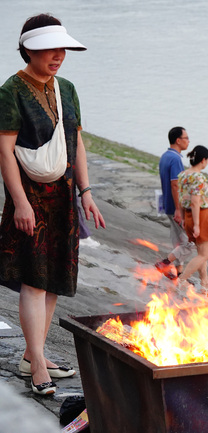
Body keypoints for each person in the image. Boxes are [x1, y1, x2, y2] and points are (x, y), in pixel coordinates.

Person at [0, 14, 105, 396]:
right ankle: (38, 364)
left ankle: (34, 354)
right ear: (29, 49)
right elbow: (5, 153)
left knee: (54, 280)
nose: (58, 56)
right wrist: (20, 204)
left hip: (63, 197)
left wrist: (86, 192)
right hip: (30, 198)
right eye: (50, 49)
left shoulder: (69, 89)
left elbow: (75, 142)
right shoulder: (10, 91)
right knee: (32, 279)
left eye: (63, 49)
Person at [175, 145, 208, 298]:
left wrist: (183, 218)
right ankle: (181, 281)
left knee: (202, 253)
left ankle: (205, 286)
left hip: (188, 215)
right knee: (205, 254)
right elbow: (195, 201)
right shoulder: (198, 177)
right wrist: (196, 225)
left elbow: (181, 199)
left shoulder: (183, 175)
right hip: (200, 215)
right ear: (203, 160)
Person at [155, 127, 194, 279]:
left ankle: (179, 274)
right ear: (178, 140)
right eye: (186, 138)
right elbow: (175, 184)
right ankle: (165, 263)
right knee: (190, 242)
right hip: (175, 206)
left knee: (179, 240)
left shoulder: (165, 156)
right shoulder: (176, 159)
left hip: (167, 204)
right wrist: (179, 210)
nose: (188, 141)